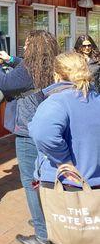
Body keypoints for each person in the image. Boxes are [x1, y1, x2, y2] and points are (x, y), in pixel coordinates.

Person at [0, 30, 59, 244]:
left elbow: (2, 81)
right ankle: (47, 222)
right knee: (47, 179)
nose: (25, 48)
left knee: (31, 181)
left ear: (33, 48)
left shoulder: (27, 70)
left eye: (27, 45)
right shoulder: (54, 65)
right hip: (49, 129)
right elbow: (23, 69)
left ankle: (42, 234)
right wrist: (11, 60)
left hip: (28, 131)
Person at [29, 52, 100, 190]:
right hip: (94, 184)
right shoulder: (96, 98)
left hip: (66, 185)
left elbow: (42, 134)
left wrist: (64, 162)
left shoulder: (57, 101)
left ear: (57, 75)